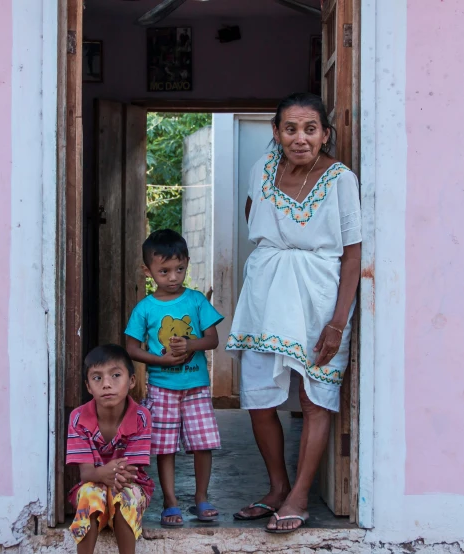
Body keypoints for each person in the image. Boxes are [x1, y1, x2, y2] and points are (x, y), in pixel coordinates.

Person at [227, 93, 362, 534]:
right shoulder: (263, 170)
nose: (300, 138)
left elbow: (353, 254)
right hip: (267, 295)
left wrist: (338, 322)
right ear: (276, 133)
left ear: (326, 133)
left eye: (310, 129)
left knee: (315, 396)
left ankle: (300, 494)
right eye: (290, 129)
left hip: (318, 297)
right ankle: (276, 488)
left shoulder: (341, 179)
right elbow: (254, 216)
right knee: (259, 398)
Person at [125, 229, 224, 527]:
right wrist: (161, 360)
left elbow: (212, 339)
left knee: (202, 443)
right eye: (164, 271)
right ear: (148, 270)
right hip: (162, 388)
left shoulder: (195, 301)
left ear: (187, 264)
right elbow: (131, 348)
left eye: (179, 269)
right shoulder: (145, 308)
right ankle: (171, 501)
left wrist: (191, 345)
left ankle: (201, 497)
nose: (173, 277)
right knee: (165, 446)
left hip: (196, 387)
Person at [66, 345, 154, 554]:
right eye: (97, 378)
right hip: (93, 486)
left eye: (116, 375)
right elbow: (86, 473)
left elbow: (129, 473)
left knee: (126, 496)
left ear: (131, 381)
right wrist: (101, 475)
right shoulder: (78, 418)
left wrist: (105, 473)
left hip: (129, 485)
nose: (106, 384)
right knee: (89, 494)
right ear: (88, 386)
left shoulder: (141, 417)